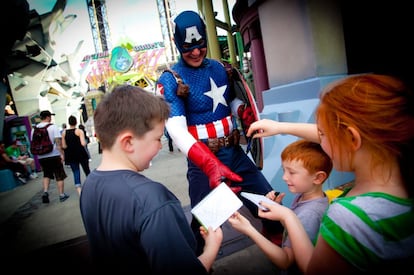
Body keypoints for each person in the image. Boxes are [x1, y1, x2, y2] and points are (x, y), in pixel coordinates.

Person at [245, 74, 414, 273]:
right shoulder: (400, 187)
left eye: (323, 134)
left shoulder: (349, 217)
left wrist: (289, 217)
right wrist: (281, 127)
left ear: (351, 138)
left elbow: (311, 269)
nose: (320, 140)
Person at [156, 10, 282, 253]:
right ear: (176, 43)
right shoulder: (171, 79)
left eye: (200, 45)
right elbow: (176, 130)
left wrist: (242, 110)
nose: (195, 52)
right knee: (205, 224)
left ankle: (282, 253)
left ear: (205, 38)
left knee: (269, 203)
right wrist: (208, 164)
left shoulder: (221, 68)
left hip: (235, 154)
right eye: (187, 47)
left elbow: (231, 98)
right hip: (203, 162)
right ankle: (201, 265)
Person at [79, 85, 223, 274]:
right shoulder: (152, 199)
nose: (159, 146)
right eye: (157, 138)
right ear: (128, 142)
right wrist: (211, 247)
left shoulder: (89, 185)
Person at [228, 139, 332, 274]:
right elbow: (294, 228)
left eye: (292, 172)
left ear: (318, 178)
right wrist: (276, 209)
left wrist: (249, 230)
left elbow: (286, 260)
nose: (284, 177)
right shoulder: (309, 197)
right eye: (284, 171)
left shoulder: (310, 214)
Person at [32, 110, 69, 203]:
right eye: (50, 116)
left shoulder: (34, 129)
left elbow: (33, 142)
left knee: (46, 174)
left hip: (41, 156)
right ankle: (61, 195)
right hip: (54, 155)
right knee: (59, 175)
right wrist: (61, 154)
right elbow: (57, 142)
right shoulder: (53, 127)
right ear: (48, 117)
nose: (51, 118)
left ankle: (45, 192)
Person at [61, 115, 90, 195]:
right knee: (86, 170)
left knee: (75, 171)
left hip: (71, 155)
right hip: (81, 154)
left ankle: (79, 190)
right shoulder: (79, 131)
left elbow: (64, 146)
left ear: (69, 123)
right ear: (76, 122)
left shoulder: (64, 133)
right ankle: (91, 185)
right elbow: (83, 143)